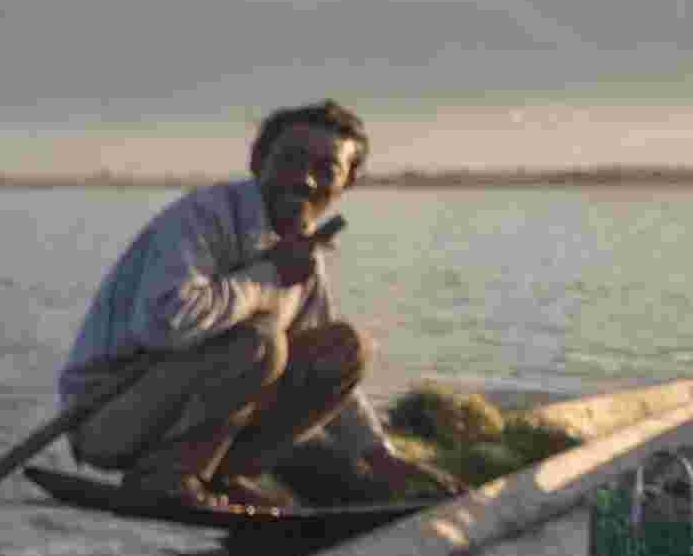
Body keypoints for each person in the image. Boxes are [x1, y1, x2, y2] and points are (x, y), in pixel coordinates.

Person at [55, 99, 464, 511]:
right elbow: (164, 324)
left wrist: (380, 456)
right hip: (106, 416)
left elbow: (325, 374)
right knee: (262, 344)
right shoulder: (202, 218)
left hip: (178, 415)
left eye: (326, 169)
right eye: (291, 161)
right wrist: (267, 276)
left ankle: (218, 475)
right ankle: (169, 477)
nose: (305, 180)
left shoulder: (305, 256)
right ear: (257, 161)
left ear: (346, 184)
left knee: (345, 349)